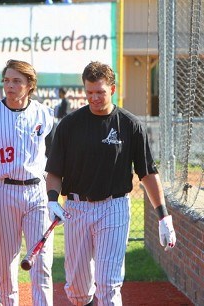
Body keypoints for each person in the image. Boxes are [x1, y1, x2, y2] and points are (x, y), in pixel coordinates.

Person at [45, 61, 177, 306]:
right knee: (77, 287)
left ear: (113, 90)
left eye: (100, 92)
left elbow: (147, 173)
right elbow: (53, 171)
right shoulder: (69, 125)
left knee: (108, 283)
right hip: (76, 209)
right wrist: (52, 200)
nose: (94, 98)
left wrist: (163, 217)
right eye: (90, 92)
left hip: (114, 208)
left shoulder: (130, 125)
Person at [0, 59, 55, 306]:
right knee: (5, 265)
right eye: (6, 80)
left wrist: (56, 197)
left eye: (17, 81)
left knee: (42, 263)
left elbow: (57, 160)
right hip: (3, 191)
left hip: (38, 191)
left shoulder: (45, 114)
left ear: (30, 85)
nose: (10, 85)